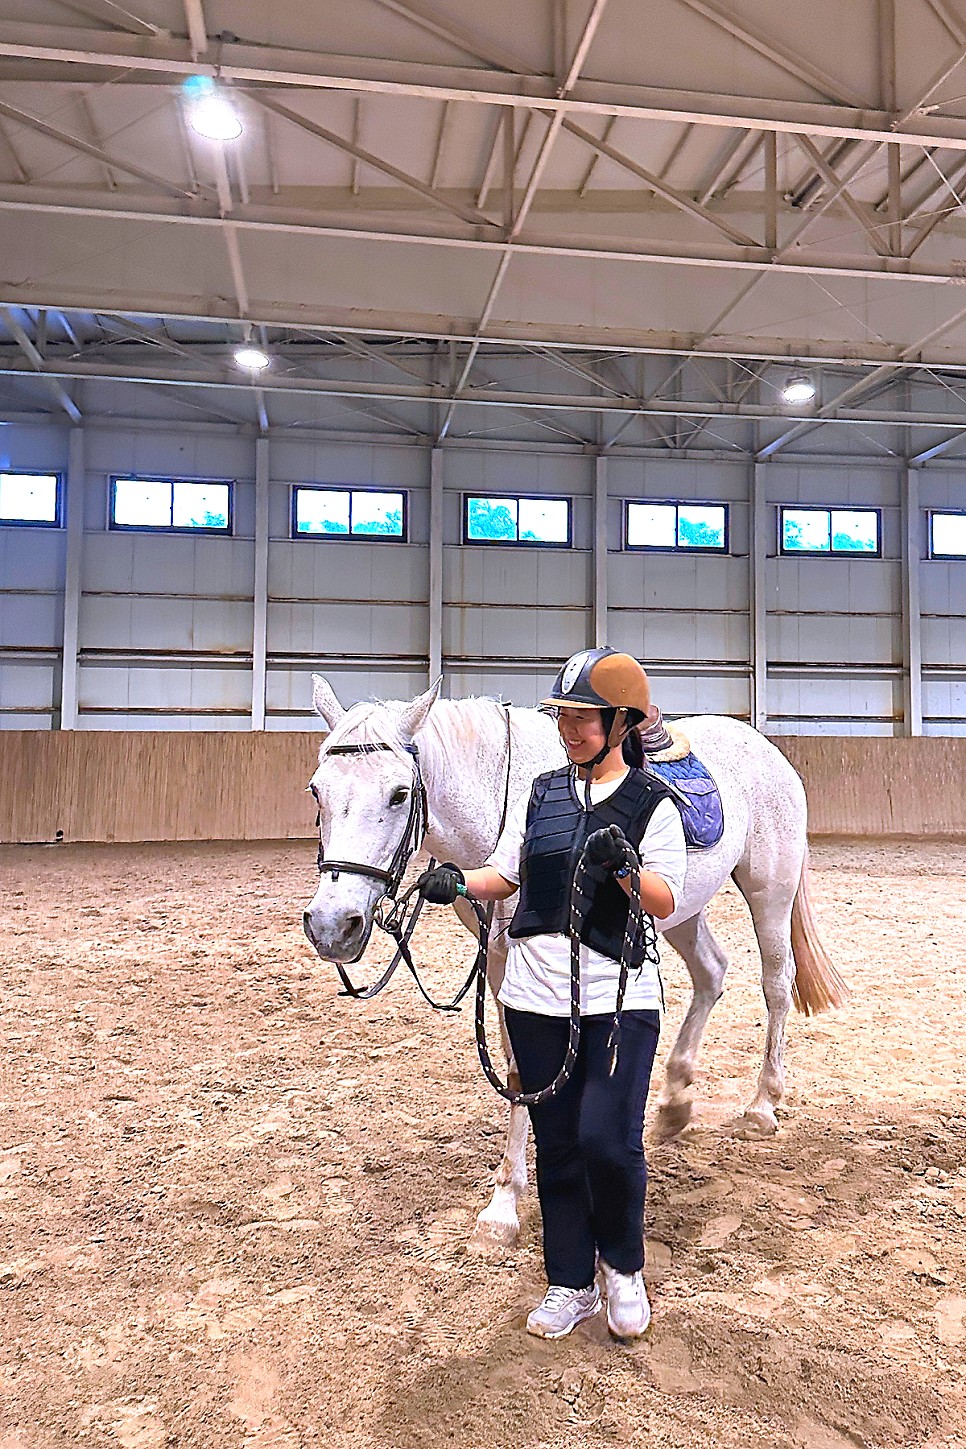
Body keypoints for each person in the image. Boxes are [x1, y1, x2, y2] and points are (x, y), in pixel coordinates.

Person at [417, 647, 687, 1341]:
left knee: (608, 1139)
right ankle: (570, 1282)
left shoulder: (653, 803)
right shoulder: (541, 793)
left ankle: (623, 1267)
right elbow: (504, 876)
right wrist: (455, 880)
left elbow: (663, 897)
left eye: (584, 718)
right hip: (534, 999)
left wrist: (624, 867)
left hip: (619, 1001)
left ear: (621, 722)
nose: (569, 729)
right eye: (563, 716)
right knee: (559, 1146)